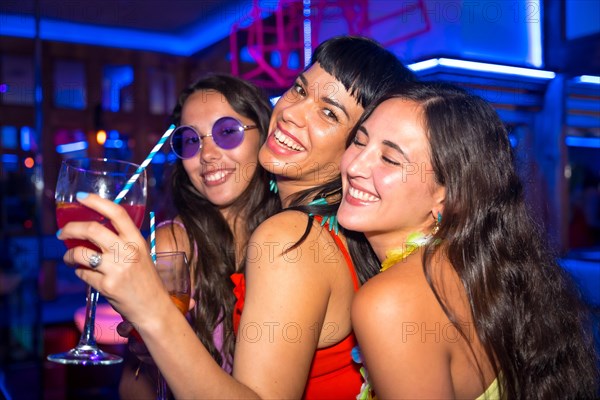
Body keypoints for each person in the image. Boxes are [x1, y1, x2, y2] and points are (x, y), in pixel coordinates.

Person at [57, 35, 416, 398]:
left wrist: (150, 308)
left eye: (328, 112)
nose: (291, 112)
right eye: (299, 89)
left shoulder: (290, 237)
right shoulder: (340, 232)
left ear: (359, 144)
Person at [336, 82, 599, 399]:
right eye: (359, 141)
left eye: (390, 159)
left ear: (446, 196)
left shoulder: (391, 302)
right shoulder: (480, 268)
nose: (354, 166)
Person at [117, 74, 281, 397]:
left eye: (226, 132)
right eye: (191, 140)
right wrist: (152, 359)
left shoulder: (289, 234)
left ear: (264, 135)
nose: (206, 154)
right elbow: (131, 386)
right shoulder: (172, 247)